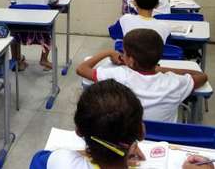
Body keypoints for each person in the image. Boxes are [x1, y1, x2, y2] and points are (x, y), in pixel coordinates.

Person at [76, 29, 208, 122]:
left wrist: (108, 52)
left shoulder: (117, 75)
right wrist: (160, 69)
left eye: (124, 53)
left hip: (127, 140)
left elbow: (81, 69)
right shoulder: (175, 83)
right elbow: (202, 76)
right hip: (162, 144)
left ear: (131, 61)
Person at [37, 80, 146, 168]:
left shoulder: (63, 161)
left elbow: (38, 160)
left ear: (79, 131)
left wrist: (84, 153)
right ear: (141, 132)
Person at [10, 0, 59, 71]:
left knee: (12, 35)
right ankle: (44, 60)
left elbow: (13, 1)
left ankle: (16, 61)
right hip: (41, 30)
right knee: (49, 34)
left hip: (20, 30)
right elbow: (56, 0)